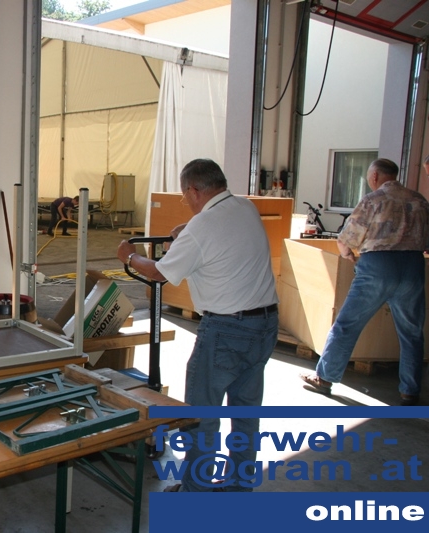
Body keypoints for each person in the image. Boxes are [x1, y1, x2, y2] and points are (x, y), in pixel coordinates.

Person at [117, 159, 278, 492]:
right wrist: (187, 233)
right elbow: (219, 239)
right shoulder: (245, 208)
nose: (186, 201)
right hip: (264, 326)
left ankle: (194, 492)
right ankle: (239, 486)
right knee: (246, 413)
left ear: (193, 190)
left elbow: (159, 272)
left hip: (225, 332)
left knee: (200, 417)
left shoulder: (202, 226)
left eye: (184, 196)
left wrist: (129, 256)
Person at [300, 158, 429, 406]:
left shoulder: (372, 200)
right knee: (412, 333)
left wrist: (348, 255)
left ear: (375, 177)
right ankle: (410, 391)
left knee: (347, 324)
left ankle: (325, 378)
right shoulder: (419, 201)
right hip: (413, 268)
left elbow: (346, 238)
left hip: (378, 267)